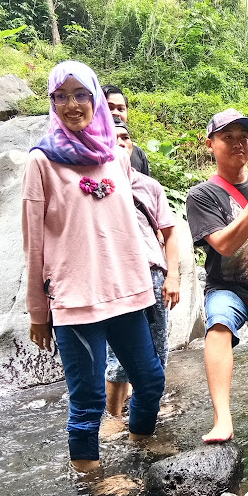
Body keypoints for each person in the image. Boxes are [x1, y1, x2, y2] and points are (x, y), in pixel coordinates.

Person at [23, 61, 165, 472]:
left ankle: (139, 447)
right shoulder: (42, 162)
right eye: (61, 96)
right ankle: (92, 484)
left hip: (127, 294)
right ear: (52, 102)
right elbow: (34, 243)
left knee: (151, 381)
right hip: (76, 300)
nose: (72, 104)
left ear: (96, 99)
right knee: (87, 402)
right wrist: (38, 312)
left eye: (81, 94)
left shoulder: (116, 157)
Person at [186, 108, 248, 442]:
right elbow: (225, 245)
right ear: (210, 144)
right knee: (218, 324)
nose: (237, 144)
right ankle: (222, 419)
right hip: (227, 287)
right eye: (227, 138)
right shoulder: (202, 195)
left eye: (243, 137)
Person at [103, 116, 180, 421]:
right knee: (118, 353)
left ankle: (146, 412)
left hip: (153, 272)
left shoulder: (149, 186)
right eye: (113, 137)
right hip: (118, 276)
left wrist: (172, 276)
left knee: (158, 346)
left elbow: (170, 233)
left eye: (125, 138)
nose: (120, 143)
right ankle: (114, 417)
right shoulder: (98, 186)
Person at [101, 84, 150, 176]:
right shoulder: (88, 150)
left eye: (120, 109)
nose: (115, 113)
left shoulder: (138, 154)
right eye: (109, 107)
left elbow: (146, 187)